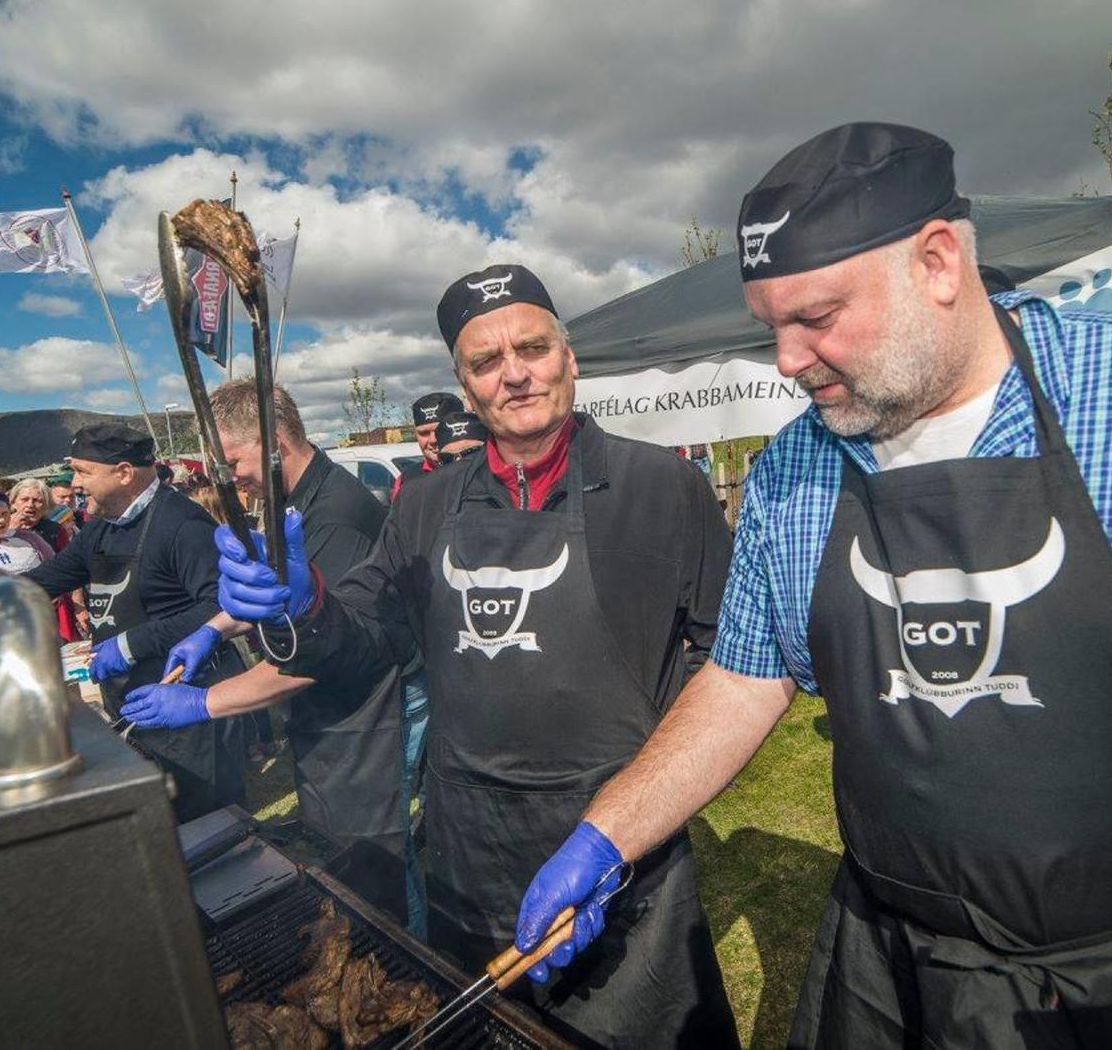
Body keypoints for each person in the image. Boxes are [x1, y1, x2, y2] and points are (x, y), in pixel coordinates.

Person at [510, 122, 1112, 1047]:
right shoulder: (793, 471)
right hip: (885, 966)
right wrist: (608, 835)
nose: (786, 359)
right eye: (770, 326)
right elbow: (746, 677)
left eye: (816, 317)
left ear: (939, 262)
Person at [183, 263, 740, 1048]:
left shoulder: (666, 489)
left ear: (568, 357)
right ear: (464, 383)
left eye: (533, 348)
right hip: (468, 850)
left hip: (621, 847)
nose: (515, 373)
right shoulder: (425, 503)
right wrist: (302, 602)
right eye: (486, 362)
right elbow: (369, 635)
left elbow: (727, 661)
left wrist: (648, 782)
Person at [121, 378, 411, 921]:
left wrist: (204, 703)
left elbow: (318, 655)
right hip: (327, 716)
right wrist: (214, 628)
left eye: (233, 462)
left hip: (361, 715)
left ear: (272, 440)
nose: (231, 479)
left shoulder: (335, 515)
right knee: (328, 841)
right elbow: (281, 595)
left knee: (369, 870)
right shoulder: (293, 500)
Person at [25, 424, 246, 821]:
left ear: (124, 473)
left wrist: (129, 645)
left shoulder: (183, 523)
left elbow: (221, 606)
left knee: (209, 819)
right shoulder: (100, 528)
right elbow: (46, 579)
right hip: (131, 699)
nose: (74, 483)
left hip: (186, 700)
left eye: (82, 471)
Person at [10, 477, 85, 642]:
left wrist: (78, 603)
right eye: (25, 499)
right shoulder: (0, 529)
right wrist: (10, 531)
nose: (30, 505)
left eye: (37, 501)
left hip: (55, 600)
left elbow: (72, 565)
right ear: (13, 502)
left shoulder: (54, 530)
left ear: (45, 506)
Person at [390, 390, 464, 501]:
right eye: (424, 433)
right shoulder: (406, 480)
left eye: (440, 430)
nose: (433, 440)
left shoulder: (483, 470)